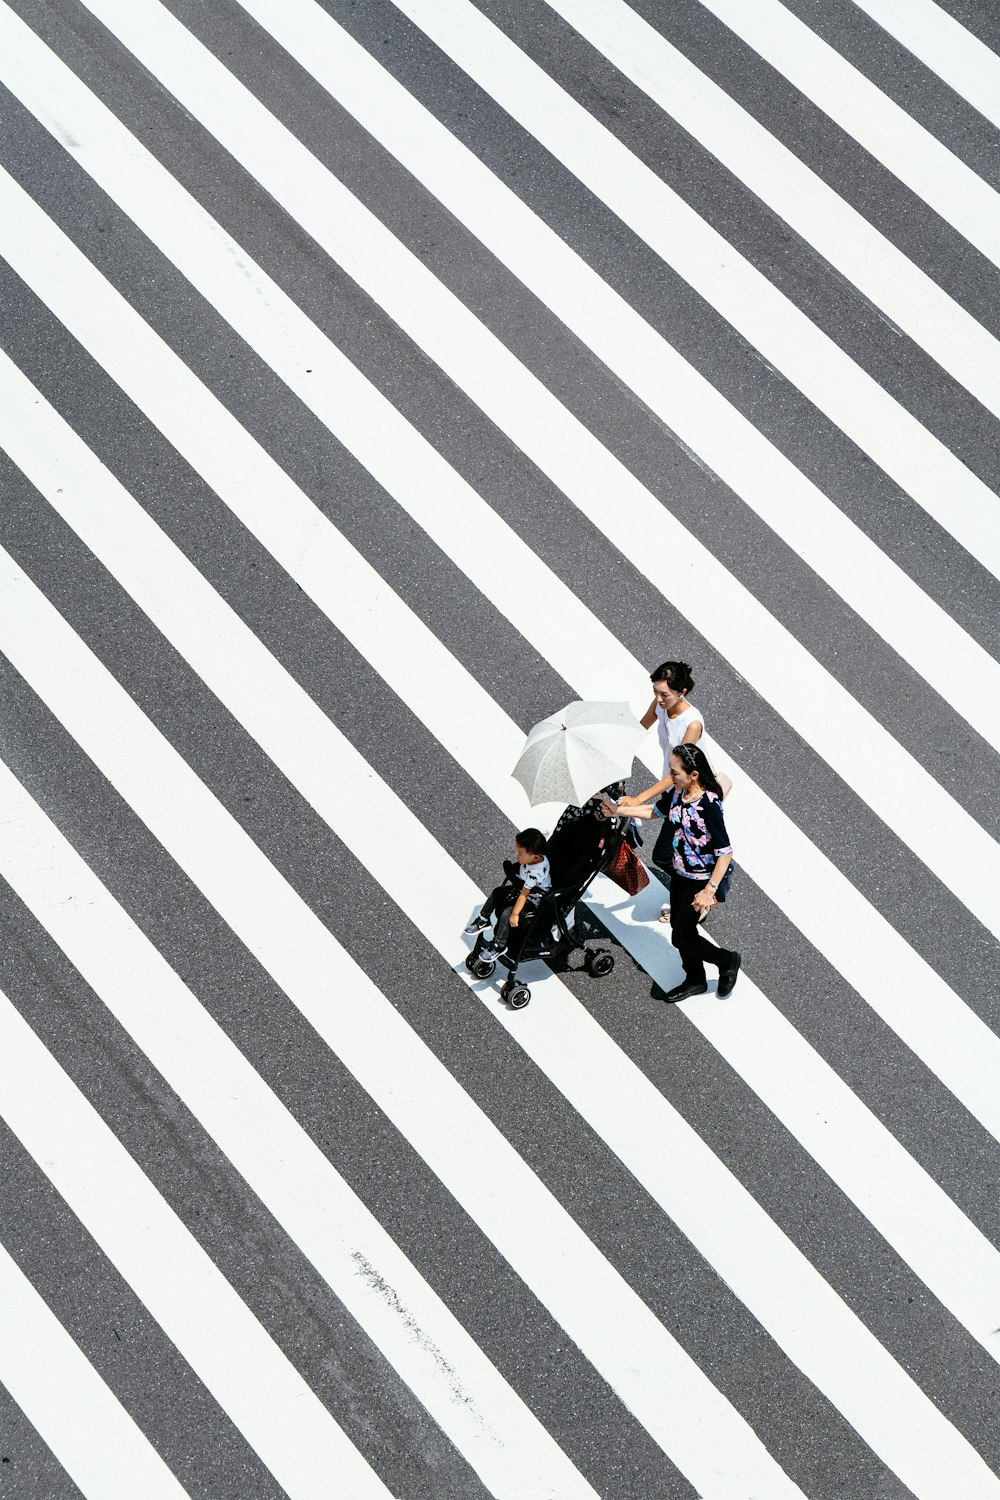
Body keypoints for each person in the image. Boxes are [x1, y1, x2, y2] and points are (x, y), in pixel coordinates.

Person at [604, 744, 740, 1002]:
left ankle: (727, 960)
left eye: (675, 772)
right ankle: (696, 979)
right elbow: (655, 812)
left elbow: (725, 852)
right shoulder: (679, 793)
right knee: (683, 931)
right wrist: (619, 810)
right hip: (680, 873)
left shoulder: (709, 803)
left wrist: (708, 891)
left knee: (680, 936)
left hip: (700, 880)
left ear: (694, 775)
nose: (671, 776)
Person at [464, 828, 552, 957]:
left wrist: (515, 914)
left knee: (507, 914)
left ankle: (499, 945)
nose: (517, 855)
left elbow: (524, 894)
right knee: (498, 892)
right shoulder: (533, 857)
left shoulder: (536, 873)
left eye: (520, 853)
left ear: (535, 857)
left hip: (531, 900)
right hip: (521, 888)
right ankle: (483, 919)